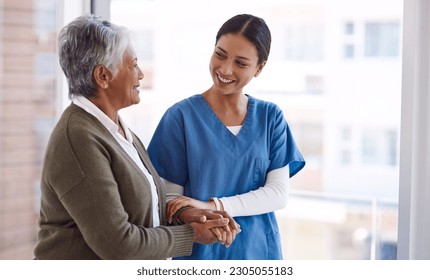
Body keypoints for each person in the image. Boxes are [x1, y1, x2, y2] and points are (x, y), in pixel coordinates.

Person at [33, 14, 239, 260]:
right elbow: (119, 245)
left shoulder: (115, 129)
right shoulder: (79, 138)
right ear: (103, 76)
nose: (140, 74)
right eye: (132, 65)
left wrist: (183, 215)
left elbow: (139, 208)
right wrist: (190, 234)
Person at [147, 14, 306, 260]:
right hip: (200, 254)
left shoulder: (270, 118)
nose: (225, 69)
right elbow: (171, 200)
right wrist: (196, 213)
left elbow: (277, 194)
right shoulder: (180, 117)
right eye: (220, 54)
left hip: (258, 254)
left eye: (241, 63)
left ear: (259, 68)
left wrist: (213, 206)